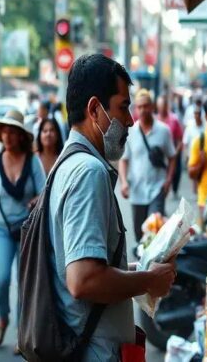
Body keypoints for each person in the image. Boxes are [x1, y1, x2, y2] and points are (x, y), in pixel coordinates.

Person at [43, 54, 175, 360]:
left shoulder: (68, 162)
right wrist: (148, 280)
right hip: (92, 350)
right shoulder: (88, 172)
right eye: (122, 107)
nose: (130, 120)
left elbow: (86, 264)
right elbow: (84, 279)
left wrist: (142, 270)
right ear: (94, 110)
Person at [0, 109, 46, 350]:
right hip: (4, 230)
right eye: (4, 131)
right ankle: (3, 318)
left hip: (27, 232)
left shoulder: (33, 161)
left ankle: (21, 331)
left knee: (24, 283)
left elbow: (44, 192)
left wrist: (37, 200)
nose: (8, 136)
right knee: (2, 280)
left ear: (21, 136)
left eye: (13, 132)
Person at [120, 90, 176, 243]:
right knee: (139, 234)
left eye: (146, 106)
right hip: (137, 191)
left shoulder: (164, 131)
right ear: (136, 109)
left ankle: (155, 265)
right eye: (140, 107)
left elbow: (172, 157)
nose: (143, 110)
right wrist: (124, 182)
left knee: (154, 229)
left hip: (157, 189)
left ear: (152, 107)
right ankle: (141, 262)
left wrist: (168, 180)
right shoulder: (130, 132)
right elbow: (123, 160)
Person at [156, 95, 183, 196]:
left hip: (173, 150)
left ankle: (174, 189)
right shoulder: (156, 120)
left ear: (166, 106)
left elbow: (180, 139)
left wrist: (176, 152)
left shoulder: (174, 120)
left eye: (163, 107)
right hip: (161, 154)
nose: (162, 109)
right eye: (160, 107)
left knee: (176, 171)